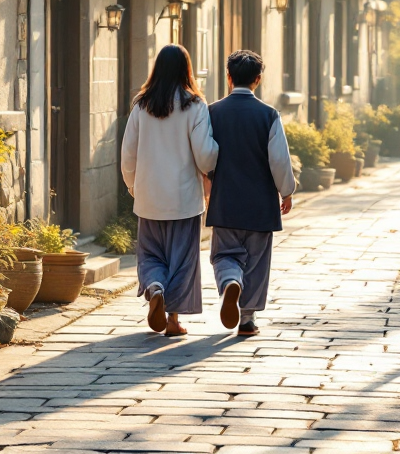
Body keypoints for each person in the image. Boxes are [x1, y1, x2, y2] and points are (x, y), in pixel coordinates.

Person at [120, 44, 219, 336]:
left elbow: (128, 153)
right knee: (182, 260)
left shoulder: (142, 105)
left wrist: (133, 185)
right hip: (184, 199)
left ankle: (155, 287)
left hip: (149, 197)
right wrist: (217, 152)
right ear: (186, 70)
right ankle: (173, 321)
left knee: (151, 253)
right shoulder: (195, 105)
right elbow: (205, 156)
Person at [205, 49, 296, 336]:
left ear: (228, 77)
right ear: (258, 79)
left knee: (224, 254)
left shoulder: (212, 112)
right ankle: (247, 320)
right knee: (257, 261)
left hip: (225, 200)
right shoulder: (269, 115)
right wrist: (286, 191)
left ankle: (231, 281)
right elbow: (279, 160)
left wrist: (208, 177)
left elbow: (205, 155)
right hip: (260, 203)